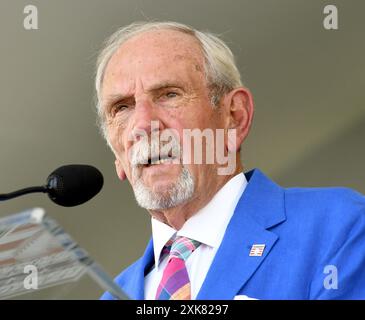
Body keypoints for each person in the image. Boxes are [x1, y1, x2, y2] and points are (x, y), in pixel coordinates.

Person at [95, 21, 365, 300]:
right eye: (122, 108)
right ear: (118, 156)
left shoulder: (339, 228)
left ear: (234, 117)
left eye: (169, 94)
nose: (143, 124)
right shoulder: (114, 295)